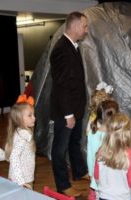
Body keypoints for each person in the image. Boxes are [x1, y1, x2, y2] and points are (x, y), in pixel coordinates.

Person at [50, 11, 89, 197]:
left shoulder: (73, 46)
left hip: (76, 108)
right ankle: (63, 185)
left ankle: (80, 172)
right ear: (74, 26)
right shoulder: (60, 49)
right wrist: (68, 114)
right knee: (60, 149)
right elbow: (61, 85)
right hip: (66, 111)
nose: (86, 30)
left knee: (75, 142)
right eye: (84, 26)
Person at [94, 113, 131, 200]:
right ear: (127, 132)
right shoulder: (130, 154)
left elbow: (96, 177)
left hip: (103, 196)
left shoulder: (101, 151)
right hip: (123, 197)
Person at [87, 99, 119, 200]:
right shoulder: (115, 136)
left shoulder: (92, 134)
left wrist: (91, 175)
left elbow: (90, 157)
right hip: (112, 180)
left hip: (98, 180)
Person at [5, 94, 36, 189]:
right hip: (23, 179)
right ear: (19, 118)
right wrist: (21, 181)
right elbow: (14, 156)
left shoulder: (19, 130)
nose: (34, 118)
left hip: (17, 176)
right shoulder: (24, 134)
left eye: (34, 114)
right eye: (30, 115)